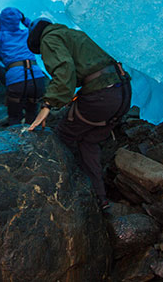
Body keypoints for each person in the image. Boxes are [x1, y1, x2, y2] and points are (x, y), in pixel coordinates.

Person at [26, 18, 132, 210]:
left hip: (102, 95)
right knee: (88, 140)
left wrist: (47, 105)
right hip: (121, 93)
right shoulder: (74, 35)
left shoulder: (50, 38)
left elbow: (64, 69)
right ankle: (99, 198)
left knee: (63, 135)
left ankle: (59, 190)